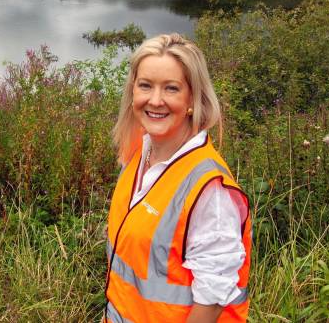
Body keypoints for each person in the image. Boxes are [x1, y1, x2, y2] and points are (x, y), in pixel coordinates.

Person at [104, 33, 251, 323]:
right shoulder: (137, 153)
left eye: (171, 89)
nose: (155, 100)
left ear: (192, 99)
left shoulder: (208, 188)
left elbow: (212, 299)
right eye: (145, 85)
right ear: (132, 90)